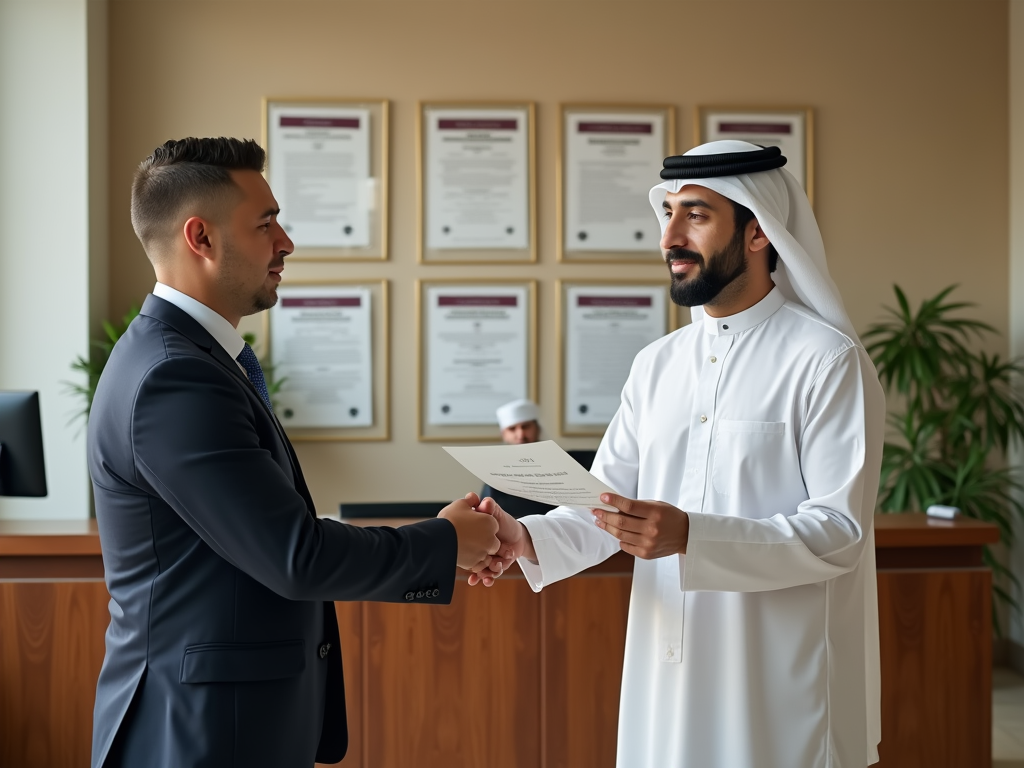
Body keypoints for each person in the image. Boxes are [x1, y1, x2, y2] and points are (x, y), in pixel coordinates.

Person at [87, 137, 502, 768]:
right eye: (265, 224)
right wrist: (444, 544)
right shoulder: (177, 378)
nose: (285, 242)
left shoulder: (186, 359)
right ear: (201, 238)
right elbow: (295, 556)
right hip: (200, 733)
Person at [472, 141, 886, 768]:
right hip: (668, 672)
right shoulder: (657, 366)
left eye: (695, 214)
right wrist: (524, 537)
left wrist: (693, 534)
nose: (670, 236)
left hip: (780, 685)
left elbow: (840, 532)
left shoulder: (825, 360)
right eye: (666, 213)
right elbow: (604, 503)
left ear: (757, 231)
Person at [480, 398, 556, 518]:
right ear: (504, 434)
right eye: (512, 429)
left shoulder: (557, 461)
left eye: (525, 427)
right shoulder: (495, 471)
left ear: (537, 428)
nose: (521, 435)